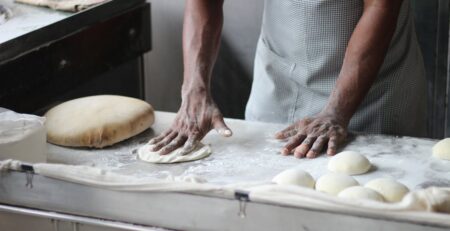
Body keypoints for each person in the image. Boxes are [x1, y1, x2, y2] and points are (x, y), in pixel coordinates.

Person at [149, 0, 426, 158]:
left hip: (372, 93)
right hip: (279, 78)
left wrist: (336, 111)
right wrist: (194, 89)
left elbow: (382, 6)